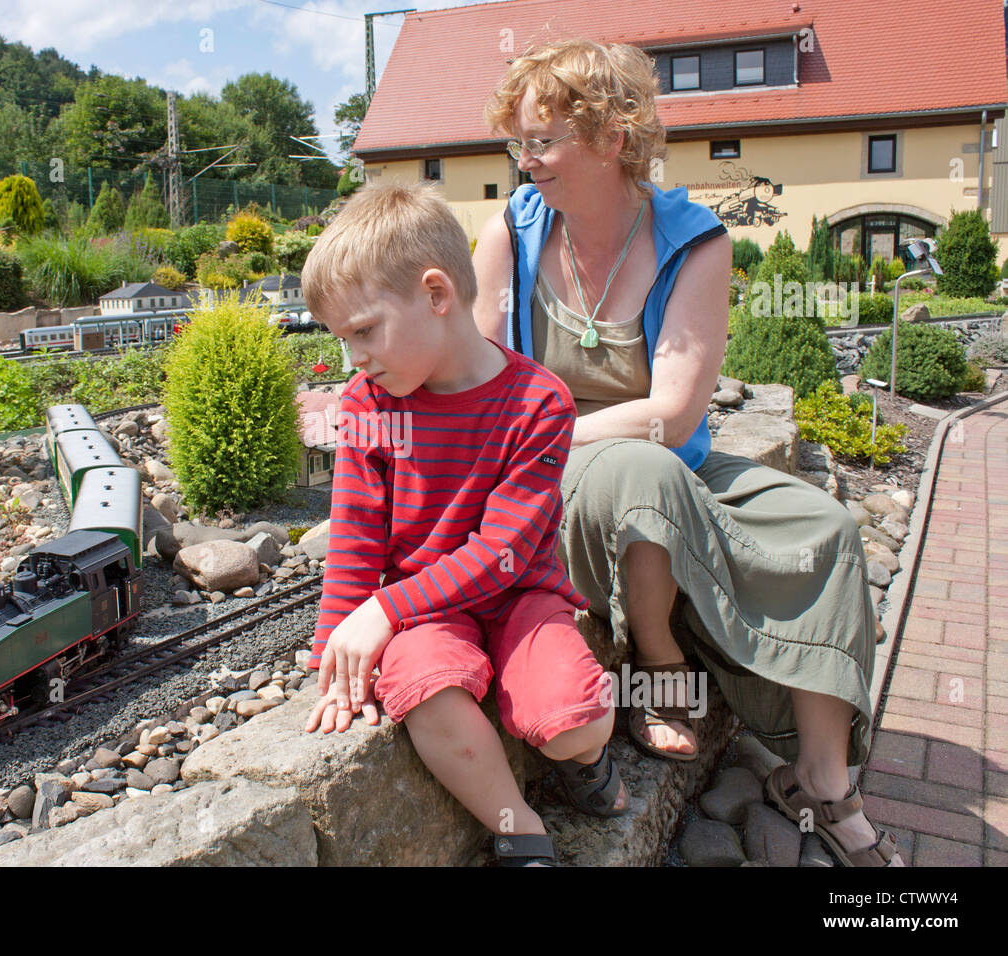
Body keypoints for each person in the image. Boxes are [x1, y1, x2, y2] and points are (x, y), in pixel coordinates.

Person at [471, 38, 900, 866]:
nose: (524, 161)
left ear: (613, 137)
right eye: (516, 142)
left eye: (542, 141)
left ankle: (819, 778)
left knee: (825, 526)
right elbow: (485, 383)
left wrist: (554, 426)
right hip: (550, 476)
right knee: (643, 473)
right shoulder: (510, 234)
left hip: (657, 453)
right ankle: (661, 676)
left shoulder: (695, 240)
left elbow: (670, 415)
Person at [300, 181, 624, 866]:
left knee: (577, 720)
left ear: (436, 294)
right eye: (341, 339)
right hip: (427, 619)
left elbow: (504, 551)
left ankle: (582, 758)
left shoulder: (538, 403)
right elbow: (356, 536)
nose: (352, 358)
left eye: (363, 331)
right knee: (426, 693)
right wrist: (336, 649)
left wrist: (384, 608)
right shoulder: (367, 405)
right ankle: (520, 828)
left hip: (516, 597)